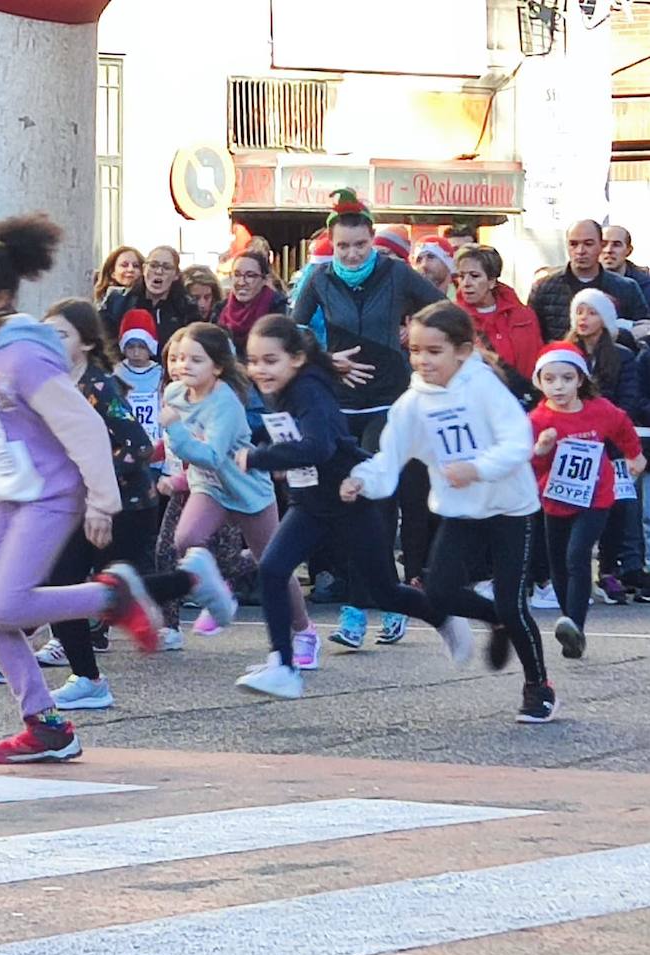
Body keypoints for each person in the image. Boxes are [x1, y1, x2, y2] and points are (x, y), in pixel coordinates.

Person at [0, 214, 233, 763]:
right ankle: (45, 724)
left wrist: (102, 500)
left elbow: (83, 427)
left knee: (6, 601)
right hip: (8, 494)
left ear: (0, 297)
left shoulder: (24, 353)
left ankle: (115, 595)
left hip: (51, 492)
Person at [235, 315, 469, 700]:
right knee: (273, 569)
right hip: (311, 504)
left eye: (270, 360)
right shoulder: (282, 389)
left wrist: (260, 457)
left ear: (295, 358)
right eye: (254, 360)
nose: (260, 369)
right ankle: (283, 665)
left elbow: (319, 446)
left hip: (350, 500)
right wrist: (259, 440)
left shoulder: (309, 389)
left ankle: (441, 615)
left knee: (385, 592)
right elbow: (289, 431)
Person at [340, 303, 553, 723]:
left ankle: (538, 686)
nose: (422, 360)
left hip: (510, 508)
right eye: (416, 350)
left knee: (513, 602)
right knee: (438, 593)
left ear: (462, 350)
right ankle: (497, 621)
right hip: (460, 512)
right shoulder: (412, 402)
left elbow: (518, 442)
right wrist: (362, 479)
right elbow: (390, 456)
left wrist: (477, 468)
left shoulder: (485, 387)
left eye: (433, 351)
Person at [291, 188, 444, 648]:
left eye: (360, 245)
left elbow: (442, 310)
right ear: (331, 245)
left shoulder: (396, 273)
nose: (352, 254)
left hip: (390, 401)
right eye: (343, 246)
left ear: (372, 240)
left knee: (376, 499)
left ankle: (376, 603)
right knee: (345, 504)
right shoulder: (317, 279)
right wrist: (326, 360)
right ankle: (366, 603)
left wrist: (413, 335)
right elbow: (294, 336)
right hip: (339, 405)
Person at [26, 297, 163, 710]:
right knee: (62, 583)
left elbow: (139, 447)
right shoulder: (45, 385)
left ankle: (195, 578)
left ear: (85, 343)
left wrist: (95, 482)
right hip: (78, 505)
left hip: (128, 505)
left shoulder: (99, 386)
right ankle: (87, 678)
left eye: (61, 334)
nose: (50, 342)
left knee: (129, 588)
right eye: (45, 333)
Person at [161, 322, 318, 663]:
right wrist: (172, 470)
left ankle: (304, 631)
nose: (182, 366)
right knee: (186, 539)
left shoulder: (225, 404)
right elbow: (181, 450)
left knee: (272, 564)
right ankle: (220, 594)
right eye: (178, 358)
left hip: (247, 488)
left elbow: (213, 455)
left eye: (195, 360)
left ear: (217, 367)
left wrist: (174, 429)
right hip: (210, 486)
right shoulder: (174, 394)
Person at [530, 343, 645, 659]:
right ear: (539, 382)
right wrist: (540, 450)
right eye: (550, 379)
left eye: (567, 378)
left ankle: (575, 623)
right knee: (559, 565)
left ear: (580, 379)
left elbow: (623, 427)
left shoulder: (599, 409)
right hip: (555, 498)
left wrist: (634, 455)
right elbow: (526, 464)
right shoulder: (537, 419)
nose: (559, 386)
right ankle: (570, 628)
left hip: (595, 495)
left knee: (577, 554)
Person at [564, 288, 647, 604]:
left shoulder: (623, 356)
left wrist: (604, 429)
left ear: (606, 318)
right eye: (580, 312)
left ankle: (609, 570)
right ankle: (572, 574)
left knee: (615, 508)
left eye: (592, 312)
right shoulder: (564, 353)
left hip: (610, 445)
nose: (584, 318)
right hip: (571, 443)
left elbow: (626, 402)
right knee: (571, 511)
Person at [527, 220, 649, 341]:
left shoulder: (627, 288)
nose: (580, 251)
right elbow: (532, 336)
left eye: (588, 244)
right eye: (573, 244)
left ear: (600, 246)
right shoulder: (544, 287)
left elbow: (643, 333)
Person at [453, 244, 543, 380]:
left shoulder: (523, 316)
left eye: (474, 276)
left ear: (492, 281)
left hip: (524, 394)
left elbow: (537, 360)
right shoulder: (453, 318)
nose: (466, 283)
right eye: (461, 276)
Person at [99, 244, 199, 347]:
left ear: (176, 275)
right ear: (144, 269)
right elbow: (106, 342)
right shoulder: (118, 301)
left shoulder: (187, 308)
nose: (159, 272)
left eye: (167, 267)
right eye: (153, 265)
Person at [214, 249, 289, 358]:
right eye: (237, 275)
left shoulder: (278, 311)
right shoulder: (220, 310)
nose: (241, 282)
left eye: (250, 276)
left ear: (265, 280)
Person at [113, 309, 166, 452]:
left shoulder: (161, 374)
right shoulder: (116, 373)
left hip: (155, 438)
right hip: (126, 440)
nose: (136, 353)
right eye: (131, 347)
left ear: (150, 347)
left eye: (142, 347)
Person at [600, 225, 650, 306]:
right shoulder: (581, 281)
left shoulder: (646, 287)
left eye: (616, 244)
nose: (608, 250)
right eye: (603, 244)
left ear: (628, 250)